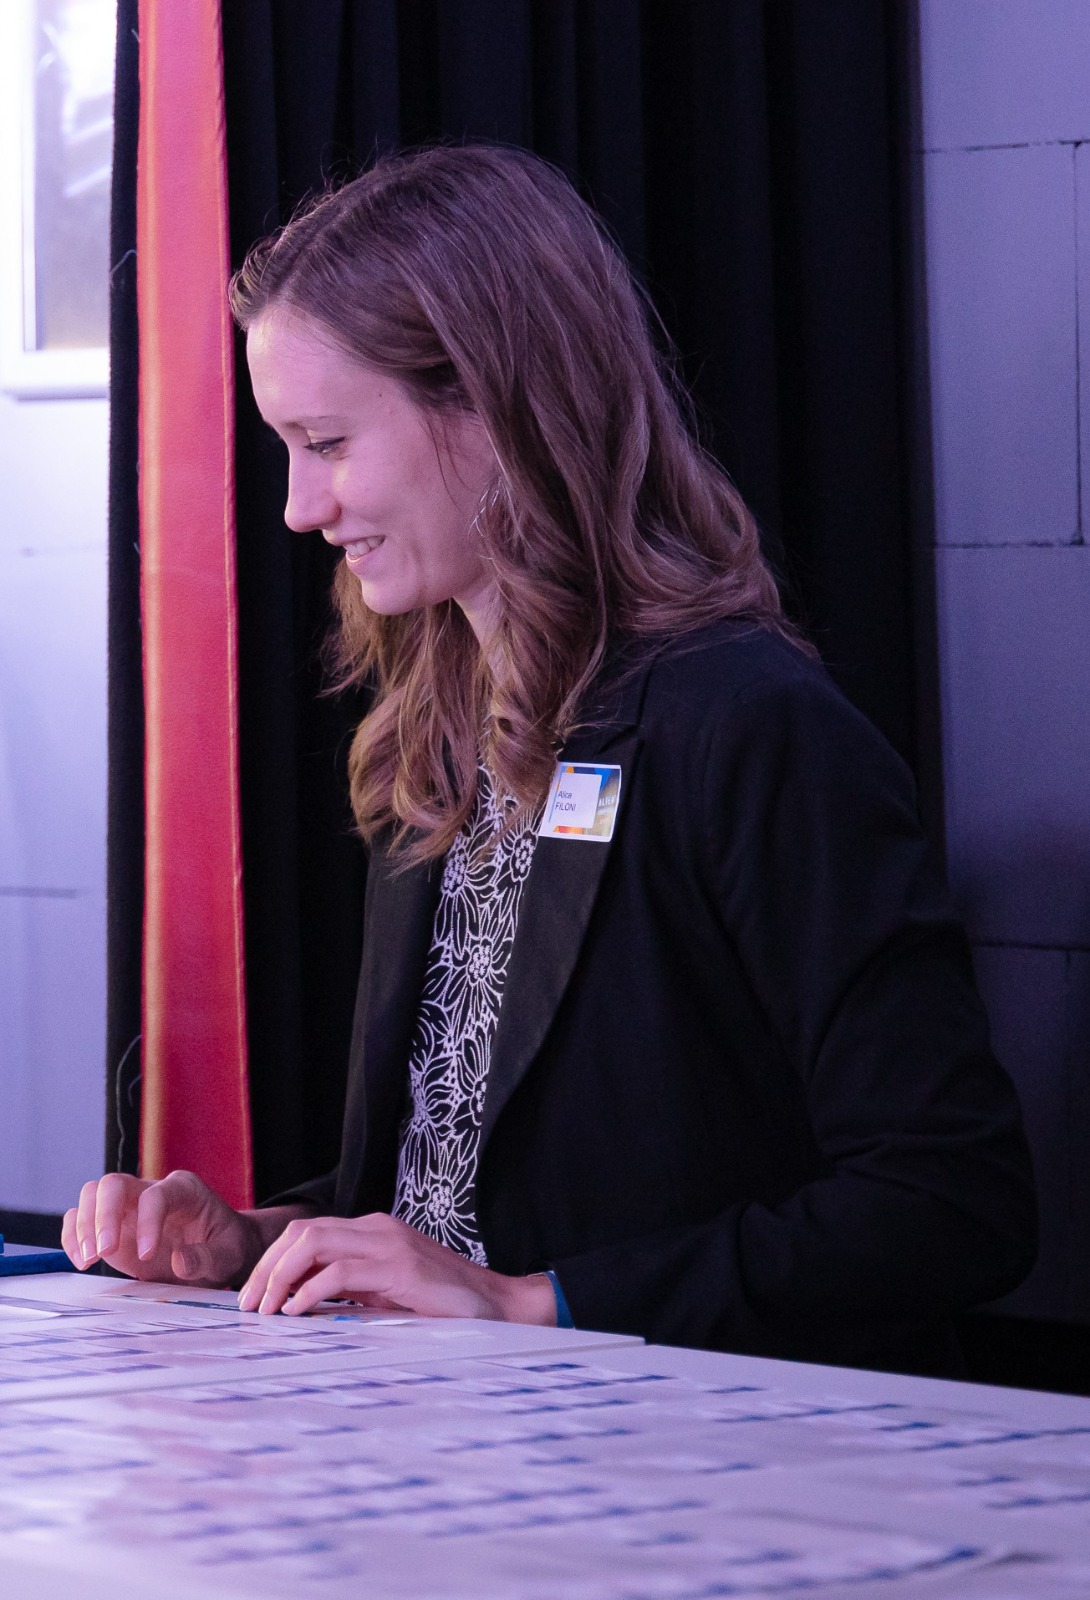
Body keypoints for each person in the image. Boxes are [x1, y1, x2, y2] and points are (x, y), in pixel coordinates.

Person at [64, 145, 1035, 1375]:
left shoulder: (748, 726)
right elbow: (453, 1207)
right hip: (444, 1429)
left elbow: (951, 1204)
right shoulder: (429, 737)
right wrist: (256, 1240)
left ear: (493, 411)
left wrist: (538, 1303)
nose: (301, 506)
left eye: (329, 442)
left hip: (681, 1459)